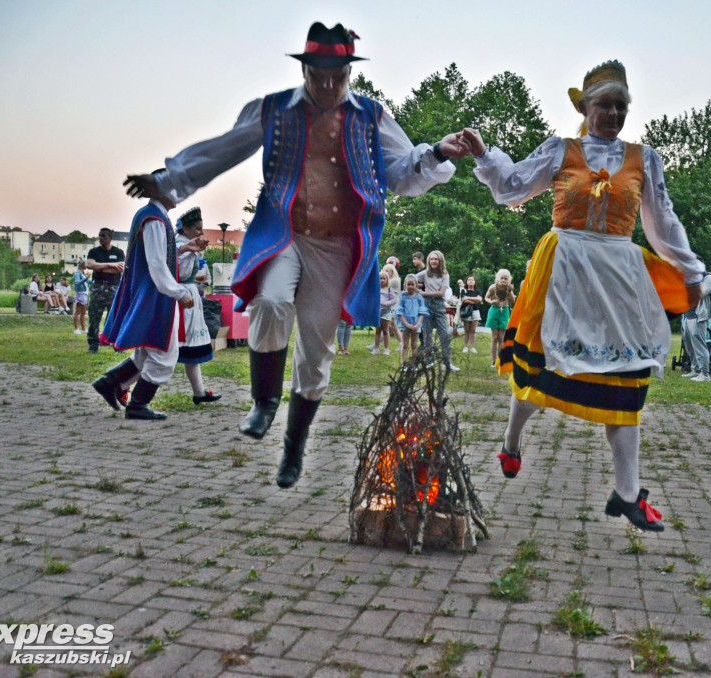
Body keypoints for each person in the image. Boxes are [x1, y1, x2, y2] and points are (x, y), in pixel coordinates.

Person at [122, 21, 464, 489]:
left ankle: (294, 446)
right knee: (270, 301)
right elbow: (222, 150)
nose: (327, 85)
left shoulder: (371, 116)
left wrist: (438, 153)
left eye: (336, 76)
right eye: (318, 75)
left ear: (349, 72)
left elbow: (402, 173)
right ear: (304, 69)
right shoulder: (274, 110)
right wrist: (167, 181)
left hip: (339, 245)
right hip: (285, 234)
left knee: (317, 350)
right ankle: (264, 404)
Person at [458, 60, 706, 533]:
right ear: (586, 108)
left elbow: (663, 222)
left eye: (620, 106)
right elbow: (513, 188)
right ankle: (512, 442)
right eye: (604, 105)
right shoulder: (561, 150)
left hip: (617, 273)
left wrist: (690, 270)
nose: (612, 113)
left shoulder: (643, 159)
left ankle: (627, 494)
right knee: (545, 368)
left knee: (626, 378)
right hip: (564, 269)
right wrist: (486, 155)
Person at [93, 185, 198, 420]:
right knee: (164, 352)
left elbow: (156, 254)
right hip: (155, 296)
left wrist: (183, 248)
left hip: (148, 293)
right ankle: (138, 404)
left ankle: (110, 383)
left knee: (146, 352)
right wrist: (179, 292)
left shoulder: (151, 216)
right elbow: (157, 264)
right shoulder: (155, 220)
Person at [174, 207, 221, 405]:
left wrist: (199, 279)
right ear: (185, 229)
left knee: (190, 347)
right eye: (197, 229)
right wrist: (192, 253)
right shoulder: (179, 245)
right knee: (170, 348)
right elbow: (182, 274)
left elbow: (190, 276)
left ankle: (199, 392)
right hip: (181, 298)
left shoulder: (186, 245)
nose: (201, 233)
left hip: (190, 296)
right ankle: (128, 387)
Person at [85, 228, 126, 353]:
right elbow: (90, 265)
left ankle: (116, 344)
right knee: (94, 317)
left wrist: (101, 267)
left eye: (104, 236)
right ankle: (93, 345)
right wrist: (110, 265)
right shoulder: (94, 251)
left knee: (114, 317)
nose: (101, 238)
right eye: (99, 236)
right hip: (98, 287)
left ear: (110, 238)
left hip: (114, 287)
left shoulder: (118, 252)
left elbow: (121, 268)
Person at [417, 250, 458, 371]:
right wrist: (417, 289)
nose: (433, 261)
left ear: (440, 260)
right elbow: (410, 281)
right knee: (427, 335)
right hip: (426, 305)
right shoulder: (424, 274)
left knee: (444, 334)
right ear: (429, 261)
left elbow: (441, 293)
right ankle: (429, 362)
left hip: (439, 305)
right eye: (431, 259)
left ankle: (447, 363)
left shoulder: (445, 275)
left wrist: (424, 293)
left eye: (436, 259)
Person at [681, 271, 711, 382]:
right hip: (688, 316)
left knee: (699, 345)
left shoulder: (709, 278)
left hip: (698, 317)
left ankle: (705, 374)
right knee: (689, 345)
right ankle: (696, 370)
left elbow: (700, 292)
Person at [484, 269, 516, 365]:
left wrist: (510, 291)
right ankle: (493, 361)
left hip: (505, 311)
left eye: (505, 278)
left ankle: (500, 359)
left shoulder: (509, 288)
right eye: (502, 278)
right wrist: (492, 302)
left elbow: (513, 301)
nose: (503, 280)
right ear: (498, 278)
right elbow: (486, 297)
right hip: (494, 310)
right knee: (494, 337)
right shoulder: (493, 287)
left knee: (501, 337)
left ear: (508, 280)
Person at [396, 274, 428, 362]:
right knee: (405, 345)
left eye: (412, 284)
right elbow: (399, 312)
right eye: (408, 284)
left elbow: (422, 312)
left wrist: (417, 324)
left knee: (414, 345)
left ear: (416, 285)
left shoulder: (419, 297)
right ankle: (404, 363)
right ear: (405, 285)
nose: (410, 286)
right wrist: (406, 324)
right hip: (405, 323)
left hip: (416, 323)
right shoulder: (403, 296)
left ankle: (413, 364)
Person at [372, 270, 398, 354]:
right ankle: (376, 348)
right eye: (380, 278)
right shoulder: (376, 289)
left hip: (386, 312)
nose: (382, 280)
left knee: (386, 331)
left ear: (387, 280)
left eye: (384, 278)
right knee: (377, 331)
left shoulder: (390, 290)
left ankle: (386, 349)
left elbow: (394, 300)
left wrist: (386, 303)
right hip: (377, 312)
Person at [459, 275, 483, 353]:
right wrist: (474, 300)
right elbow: (464, 300)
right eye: (469, 280)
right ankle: (465, 347)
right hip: (466, 311)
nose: (471, 281)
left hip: (475, 311)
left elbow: (479, 299)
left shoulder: (478, 291)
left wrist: (468, 298)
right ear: (466, 282)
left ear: (475, 282)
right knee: (466, 330)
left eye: (472, 280)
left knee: (473, 330)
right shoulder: (463, 291)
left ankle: (473, 347)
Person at [72, 261, 90, 334]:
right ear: (82, 265)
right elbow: (77, 283)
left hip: (84, 294)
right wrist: (85, 279)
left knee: (83, 312)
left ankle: (83, 329)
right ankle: (76, 329)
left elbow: (88, 282)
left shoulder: (83, 273)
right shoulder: (77, 273)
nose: (87, 265)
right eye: (86, 264)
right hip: (80, 294)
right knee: (78, 312)